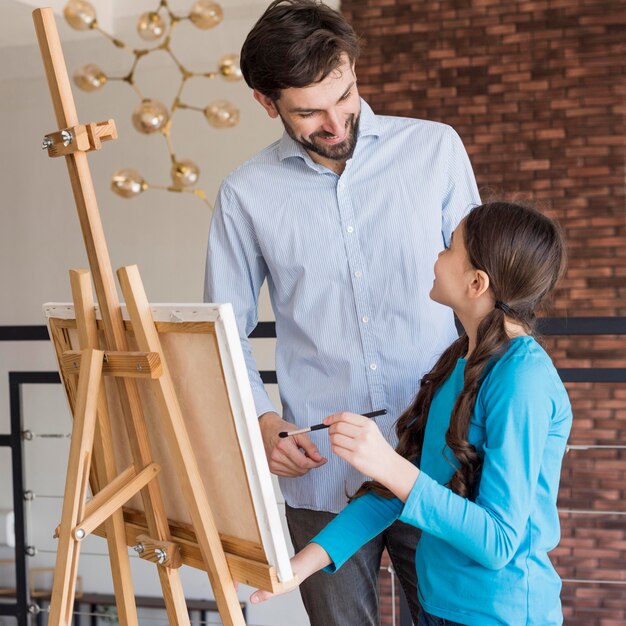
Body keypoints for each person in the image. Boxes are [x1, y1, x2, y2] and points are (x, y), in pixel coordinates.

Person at [204, 1, 480, 623]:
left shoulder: (435, 151)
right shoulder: (245, 194)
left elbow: (481, 299)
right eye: (309, 111)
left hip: (431, 460)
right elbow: (222, 332)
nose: (336, 121)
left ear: (353, 70)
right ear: (265, 102)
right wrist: (263, 424)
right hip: (318, 471)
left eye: (345, 95)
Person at [250, 201, 573, 626]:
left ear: (476, 282)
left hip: (500, 615)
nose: (438, 255)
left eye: (450, 247)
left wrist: (386, 463)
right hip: (438, 607)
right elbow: (393, 492)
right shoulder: (459, 361)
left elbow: (498, 541)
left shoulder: (522, 379)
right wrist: (300, 567)